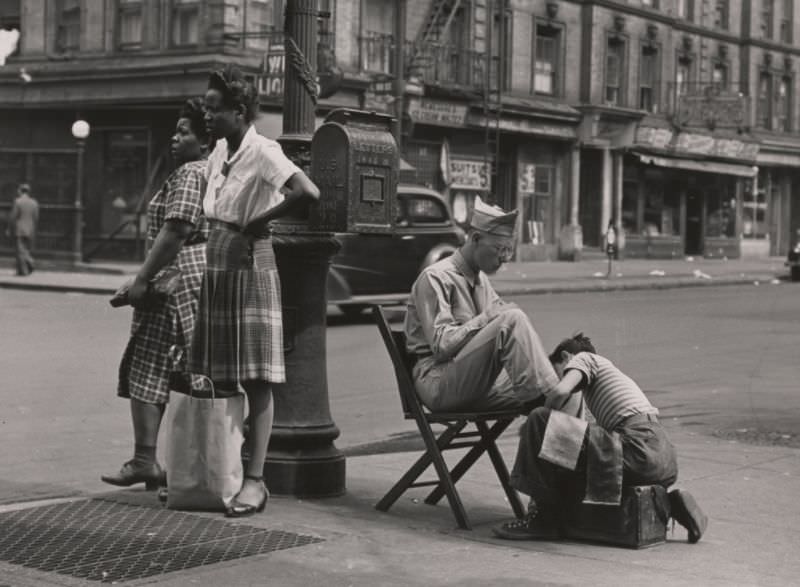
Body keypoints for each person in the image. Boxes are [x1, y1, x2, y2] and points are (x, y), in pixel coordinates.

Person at [189, 64, 320, 518]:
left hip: (250, 261)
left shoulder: (263, 150)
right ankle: (218, 471)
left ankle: (255, 481)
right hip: (219, 260)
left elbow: (307, 190)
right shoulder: (218, 152)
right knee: (219, 374)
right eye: (206, 109)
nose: (207, 116)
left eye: (214, 109)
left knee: (256, 379)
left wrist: (264, 219)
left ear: (239, 110)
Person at [493, 333, 708, 543]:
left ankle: (542, 520)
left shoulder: (584, 359)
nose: (560, 377)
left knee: (539, 418)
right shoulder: (607, 381)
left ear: (567, 357)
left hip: (638, 445)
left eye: (559, 372)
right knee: (584, 465)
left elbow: (559, 393)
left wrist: (541, 423)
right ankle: (669, 504)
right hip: (663, 457)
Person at [102, 98, 210, 491]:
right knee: (188, 370)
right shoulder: (213, 172)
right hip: (195, 278)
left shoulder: (189, 174)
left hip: (174, 282)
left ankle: (146, 459)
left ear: (205, 140)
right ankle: (182, 463)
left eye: (184, 131)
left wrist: (142, 280)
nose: (175, 137)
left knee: (148, 365)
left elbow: (176, 229)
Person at [404, 196, 584, 416]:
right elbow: (441, 347)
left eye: (509, 251)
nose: (506, 258)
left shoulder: (481, 280)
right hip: (438, 382)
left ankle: (561, 442)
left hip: (476, 383)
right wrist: (488, 316)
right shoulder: (435, 277)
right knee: (512, 320)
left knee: (571, 379)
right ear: (476, 238)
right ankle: (545, 402)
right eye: (501, 250)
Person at [7, 183, 39, 276]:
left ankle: (27, 268)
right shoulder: (34, 202)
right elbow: (36, 217)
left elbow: (13, 217)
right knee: (25, 250)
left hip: (19, 230)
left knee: (20, 251)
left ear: (20, 191)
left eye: (18, 190)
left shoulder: (17, 201)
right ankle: (21, 270)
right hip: (30, 229)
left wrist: (9, 228)